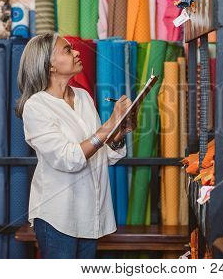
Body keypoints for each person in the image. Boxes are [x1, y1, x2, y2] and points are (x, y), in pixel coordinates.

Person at [16, 33, 136, 258]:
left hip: (89, 214)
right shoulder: (36, 106)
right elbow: (69, 158)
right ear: (49, 65)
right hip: (58, 218)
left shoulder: (83, 97)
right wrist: (109, 124)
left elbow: (102, 153)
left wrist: (118, 133)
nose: (77, 52)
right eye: (68, 50)